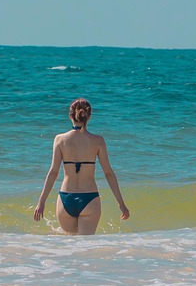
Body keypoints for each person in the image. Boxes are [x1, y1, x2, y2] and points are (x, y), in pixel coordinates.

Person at [32, 98, 129, 234]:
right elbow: (108, 173)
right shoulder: (98, 141)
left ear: (70, 115)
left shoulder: (60, 139)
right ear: (89, 116)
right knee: (86, 248)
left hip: (66, 199)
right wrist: (121, 204)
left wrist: (41, 202)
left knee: (70, 248)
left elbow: (53, 172)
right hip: (90, 199)